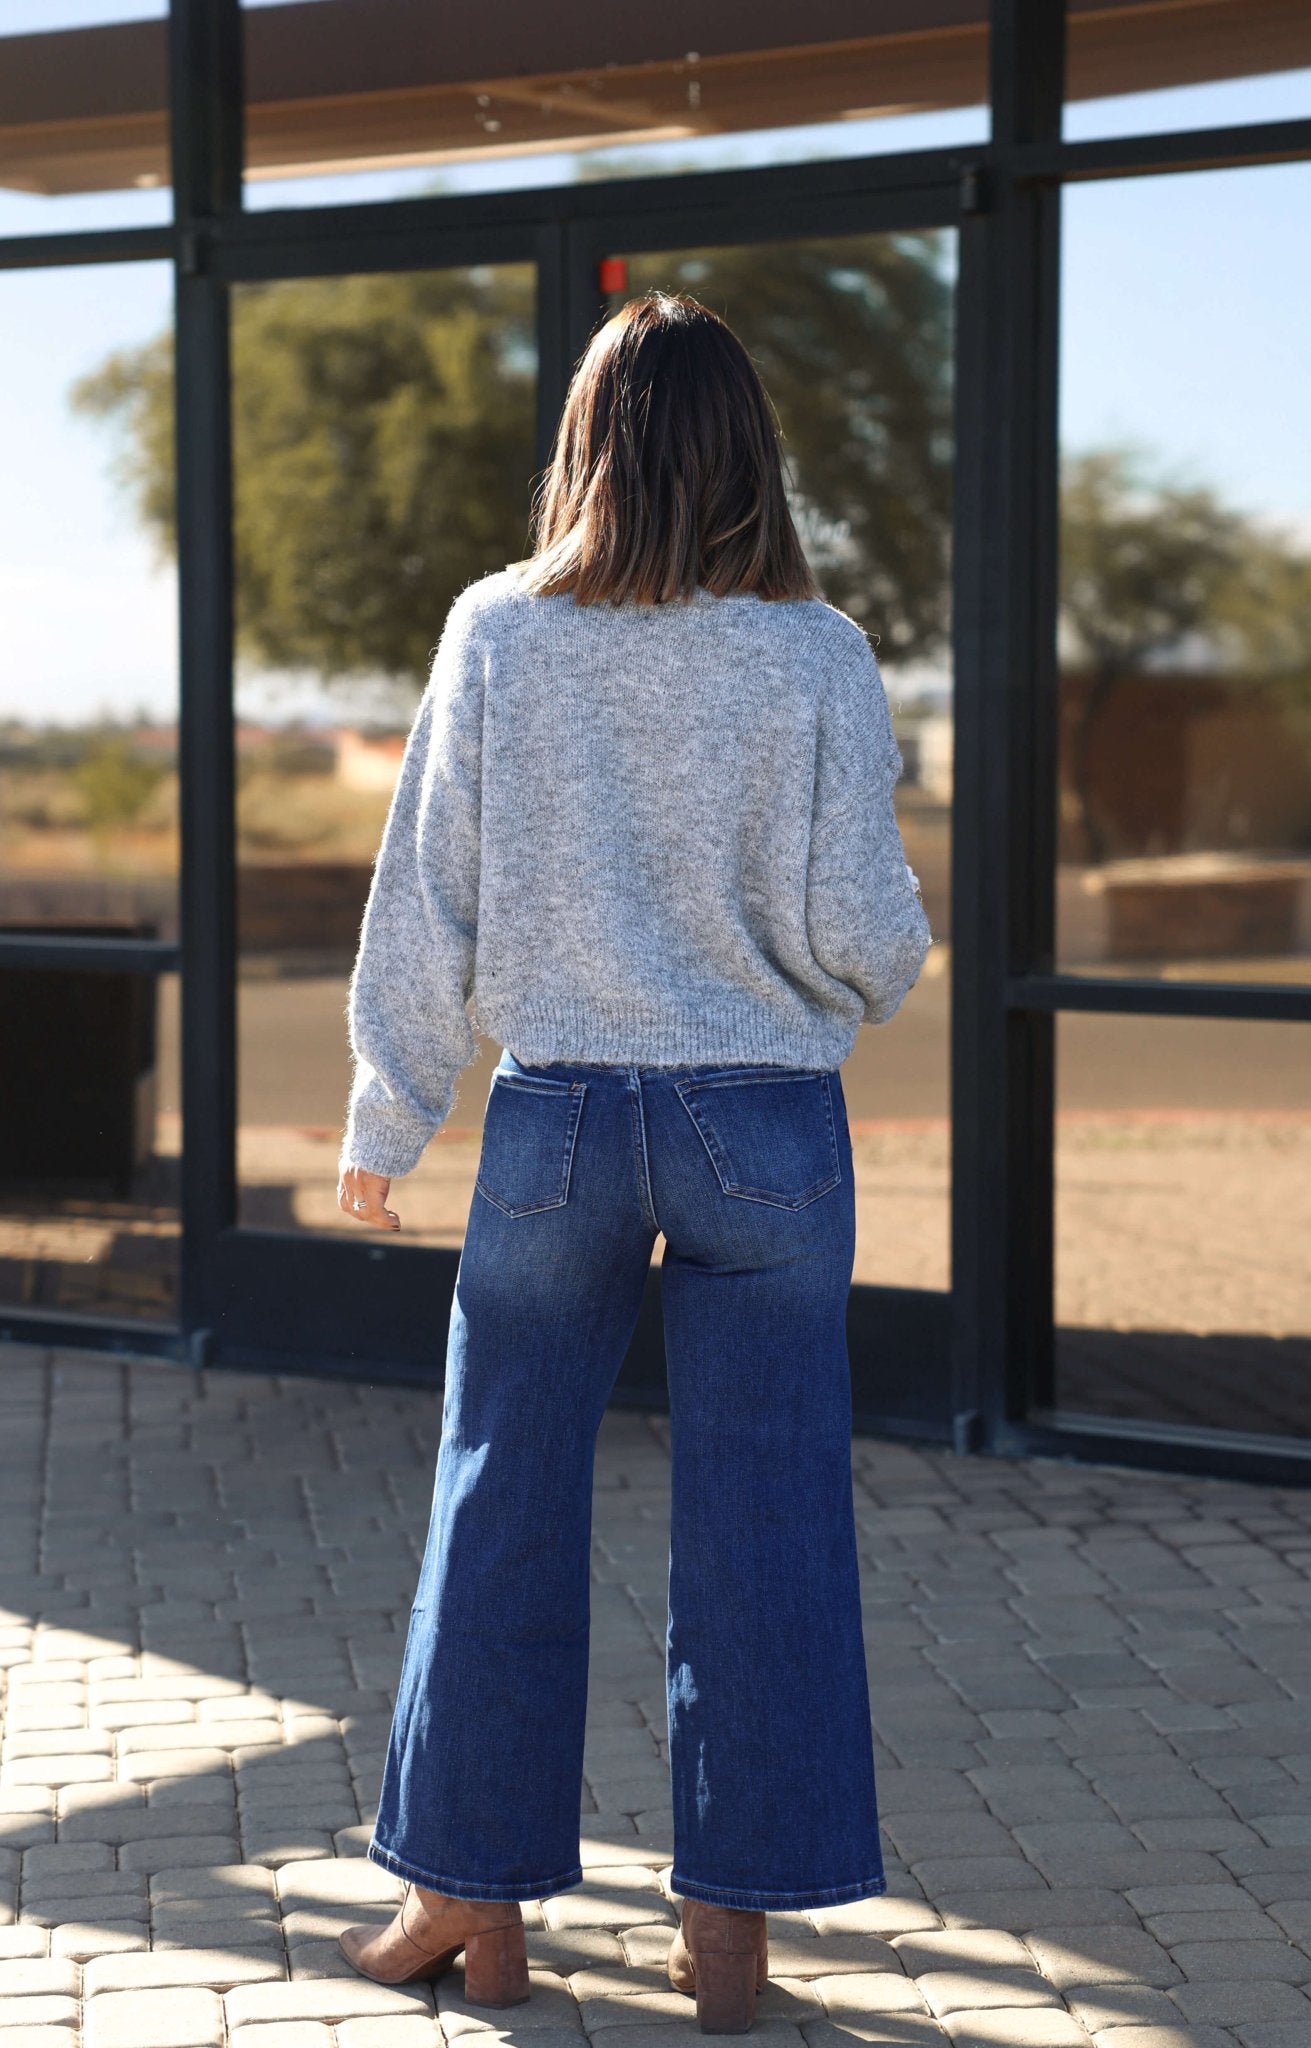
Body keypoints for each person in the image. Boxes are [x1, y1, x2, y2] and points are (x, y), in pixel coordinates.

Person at [332, 290, 932, 2033]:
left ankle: (466, 1900)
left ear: (584, 444)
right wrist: (869, 971)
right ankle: (729, 1934)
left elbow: (426, 897)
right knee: (767, 1519)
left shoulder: (497, 635)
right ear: (750, 450)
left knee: (496, 1491)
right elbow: (860, 928)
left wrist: (388, 1118)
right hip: (761, 1128)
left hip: (556, 1124)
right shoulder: (813, 651)